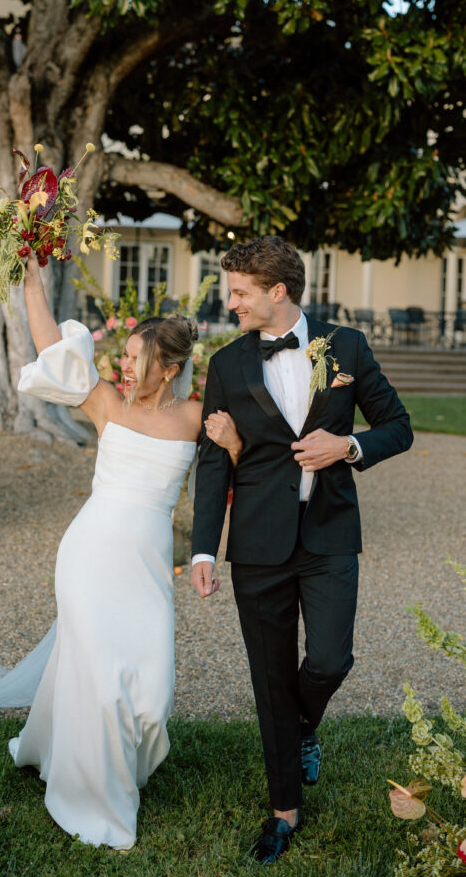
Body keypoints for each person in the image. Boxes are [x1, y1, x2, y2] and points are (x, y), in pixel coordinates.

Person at [191, 235, 413, 865]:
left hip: (330, 534)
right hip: (257, 542)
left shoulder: (346, 347)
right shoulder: (227, 364)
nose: (229, 302)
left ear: (277, 291)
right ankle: (284, 809)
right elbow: (213, 462)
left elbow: (399, 426)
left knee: (331, 658)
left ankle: (303, 727)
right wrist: (204, 549)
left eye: (239, 292)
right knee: (269, 678)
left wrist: (348, 447)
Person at [8, 252, 242, 850]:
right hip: (88, 554)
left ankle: (100, 759)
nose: (124, 365)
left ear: (168, 367)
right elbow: (49, 348)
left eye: (136, 358)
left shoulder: (196, 418)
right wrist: (31, 278)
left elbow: (236, 478)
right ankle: (93, 795)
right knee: (99, 676)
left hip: (144, 563)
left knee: (151, 691)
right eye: (126, 358)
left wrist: (235, 448)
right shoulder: (106, 403)